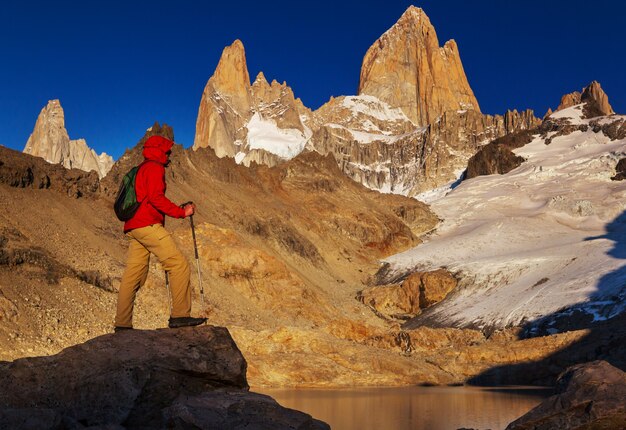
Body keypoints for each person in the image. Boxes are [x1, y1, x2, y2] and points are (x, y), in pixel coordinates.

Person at [114, 135, 206, 331]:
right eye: (167, 151)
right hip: (147, 225)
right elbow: (156, 198)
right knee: (178, 263)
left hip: (134, 227)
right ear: (160, 150)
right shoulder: (154, 167)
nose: (170, 154)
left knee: (133, 274)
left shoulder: (141, 169)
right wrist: (182, 212)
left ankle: (122, 324)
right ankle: (180, 316)